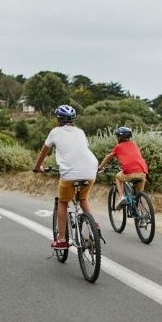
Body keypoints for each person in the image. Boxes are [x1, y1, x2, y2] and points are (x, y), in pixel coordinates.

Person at [32, 104, 99, 249]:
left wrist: (37, 168)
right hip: (90, 170)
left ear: (58, 119)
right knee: (82, 198)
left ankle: (62, 239)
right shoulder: (80, 132)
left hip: (70, 174)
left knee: (63, 202)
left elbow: (44, 152)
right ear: (73, 119)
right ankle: (93, 224)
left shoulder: (55, 132)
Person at [98, 126, 149, 210]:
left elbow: (108, 157)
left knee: (118, 177)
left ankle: (121, 197)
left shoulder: (118, 147)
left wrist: (100, 167)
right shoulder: (134, 144)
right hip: (142, 172)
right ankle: (141, 214)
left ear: (119, 137)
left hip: (130, 173)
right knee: (138, 196)